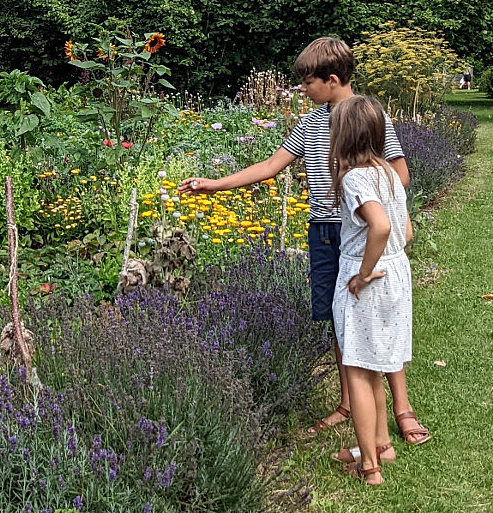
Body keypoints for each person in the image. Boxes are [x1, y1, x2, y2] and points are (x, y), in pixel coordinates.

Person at [178, 35, 430, 445]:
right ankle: (349, 403)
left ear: (332, 79)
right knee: (341, 318)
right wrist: (214, 185)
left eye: (307, 83)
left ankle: (402, 408)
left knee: (381, 318)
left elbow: (399, 173)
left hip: (364, 232)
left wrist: (379, 207)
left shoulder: (368, 116)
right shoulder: (311, 123)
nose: (302, 90)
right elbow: (272, 165)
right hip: (326, 236)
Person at [328, 94, 414, 484]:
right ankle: (381, 446)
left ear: (341, 136)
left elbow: (379, 226)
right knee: (376, 363)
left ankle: (369, 468)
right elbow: (405, 231)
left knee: (357, 369)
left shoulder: (355, 179)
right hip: (396, 274)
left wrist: (363, 273)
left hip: (368, 280)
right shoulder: (390, 174)